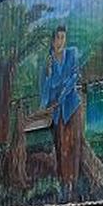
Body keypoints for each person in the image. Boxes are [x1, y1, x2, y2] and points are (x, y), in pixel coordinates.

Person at [39, 25, 85, 196]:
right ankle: (64, 185)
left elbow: (74, 76)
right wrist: (49, 73)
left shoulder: (72, 53)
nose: (60, 41)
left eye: (63, 37)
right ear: (52, 40)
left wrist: (62, 93)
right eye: (57, 38)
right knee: (61, 147)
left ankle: (74, 183)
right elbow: (47, 90)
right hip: (58, 111)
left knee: (74, 144)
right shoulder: (49, 62)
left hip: (71, 105)